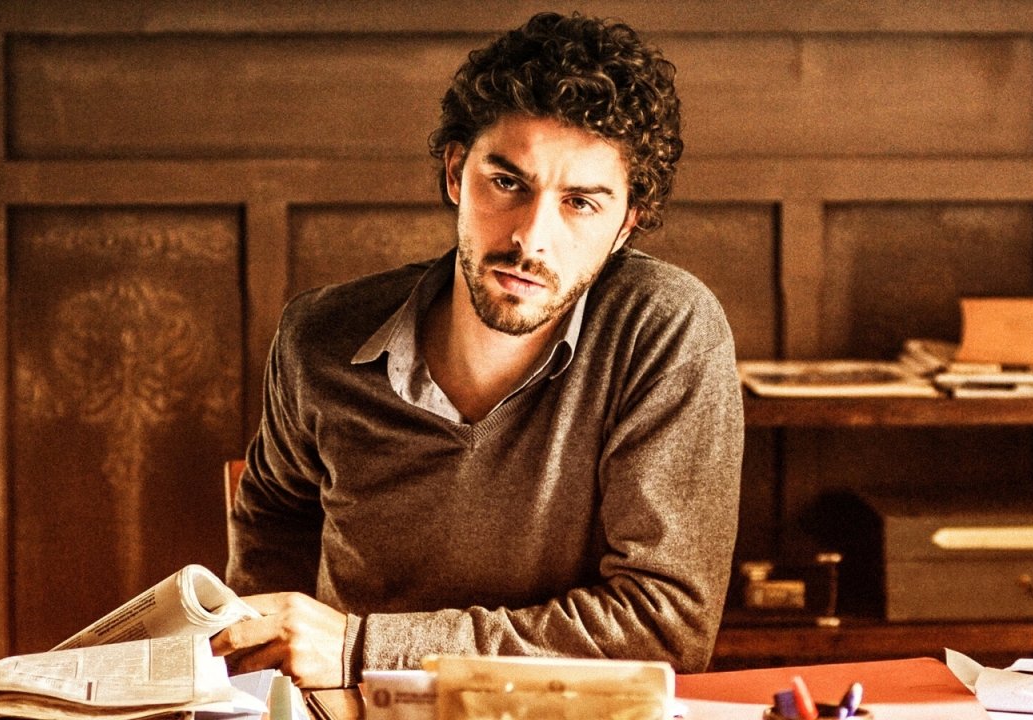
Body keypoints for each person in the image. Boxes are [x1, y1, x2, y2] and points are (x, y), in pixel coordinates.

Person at [212, 10, 743, 688]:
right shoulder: (317, 337)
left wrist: (361, 648)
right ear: (456, 172)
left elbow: (666, 626)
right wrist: (267, 682)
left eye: (580, 203)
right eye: (507, 182)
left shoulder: (664, 330)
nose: (531, 239)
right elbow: (274, 523)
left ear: (626, 225)